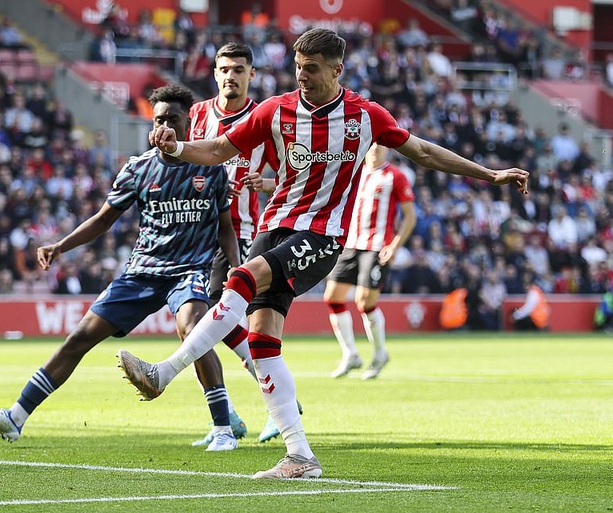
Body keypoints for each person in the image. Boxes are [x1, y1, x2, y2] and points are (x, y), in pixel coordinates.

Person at [118, 28, 529, 479]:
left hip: (324, 235)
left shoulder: (365, 116)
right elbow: (218, 149)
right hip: (273, 228)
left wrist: (489, 175)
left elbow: (424, 152)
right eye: (298, 67)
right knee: (261, 340)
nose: (302, 77)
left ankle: (164, 373)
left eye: (311, 69)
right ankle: (300, 456)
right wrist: (176, 147)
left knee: (241, 280)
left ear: (337, 69)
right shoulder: (277, 110)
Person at [0, 84, 244, 452]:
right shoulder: (138, 169)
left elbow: (226, 229)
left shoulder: (210, 169)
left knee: (193, 330)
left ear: (189, 121)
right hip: (142, 271)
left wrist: (237, 273)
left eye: (173, 119)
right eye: (159, 119)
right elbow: (102, 220)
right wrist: (60, 245)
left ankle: (223, 430)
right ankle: (16, 416)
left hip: (189, 270)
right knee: (80, 336)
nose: (165, 126)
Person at [187, 41, 286, 446]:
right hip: (198, 232)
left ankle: (252, 408)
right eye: (224, 69)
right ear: (215, 73)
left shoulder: (267, 119)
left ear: (251, 75)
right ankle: (239, 411)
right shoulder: (197, 114)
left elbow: (295, 178)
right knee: (194, 318)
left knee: (211, 312)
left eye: (239, 70)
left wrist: (265, 183)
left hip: (243, 230)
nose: (231, 76)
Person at [322, 144, 416, 380]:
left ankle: (380, 354)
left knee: (364, 302)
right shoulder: (355, 172)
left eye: (380, 145)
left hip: (377, 247)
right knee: (332, 296)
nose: (375, 149)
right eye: (371, 145)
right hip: (350, 243)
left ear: (387, 149)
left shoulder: (395, 176)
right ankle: (350, 354)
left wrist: (394, 245)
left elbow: (410, 216)